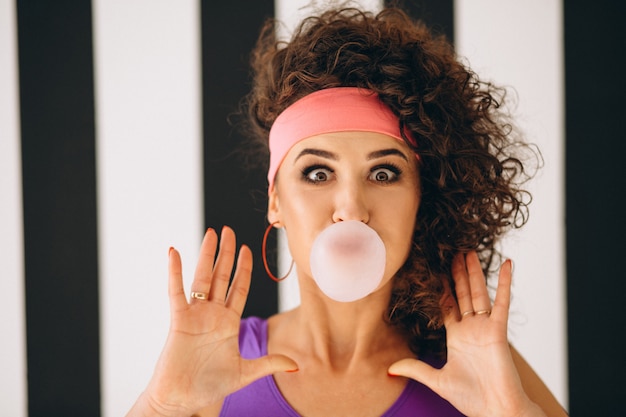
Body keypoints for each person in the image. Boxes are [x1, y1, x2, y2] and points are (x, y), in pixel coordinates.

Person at [127, 5, 568, 417]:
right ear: (275, 201)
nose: (352, 208)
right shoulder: (212, 369)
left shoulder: (479, 369)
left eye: (383, 174)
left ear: (421, 198)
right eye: (318, 173)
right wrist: (161, 407)